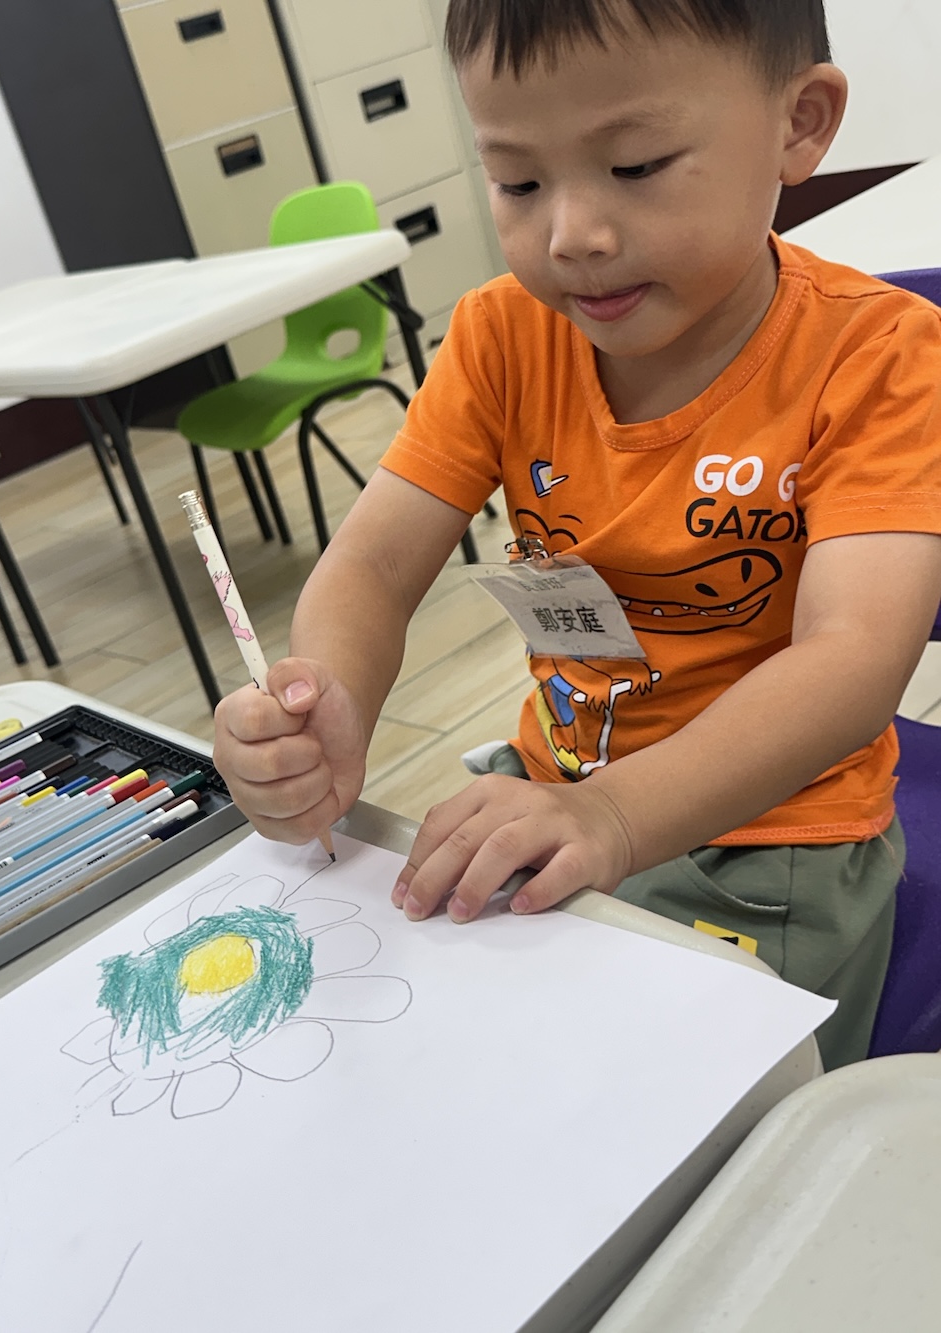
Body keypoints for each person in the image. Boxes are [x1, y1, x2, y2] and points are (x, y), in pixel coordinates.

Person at [213, 0, 941, 1068]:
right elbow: (371, 560)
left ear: (800, 123)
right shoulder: (501, 338)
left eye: (636, 166)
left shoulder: (878, 356)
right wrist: (325, 703)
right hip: (557, 783)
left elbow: (853, 658)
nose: (571, 235)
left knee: (675, 1110)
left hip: (775, 840)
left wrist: (615, 815)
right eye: (517, 182)